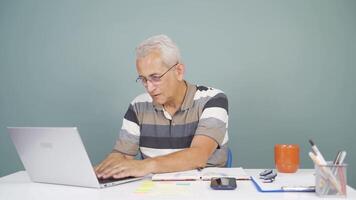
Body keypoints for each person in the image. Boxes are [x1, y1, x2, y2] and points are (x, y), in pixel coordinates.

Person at [95, 34, 229, 179]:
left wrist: (145, 165)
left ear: (178, 71)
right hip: (154, 190)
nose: (149, 88)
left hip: (204, 188)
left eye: (155, 78)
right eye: (143, 79)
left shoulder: (213, 99)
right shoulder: (138, 106)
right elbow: (122, 156)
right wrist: (102, 170)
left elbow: (198, 155)